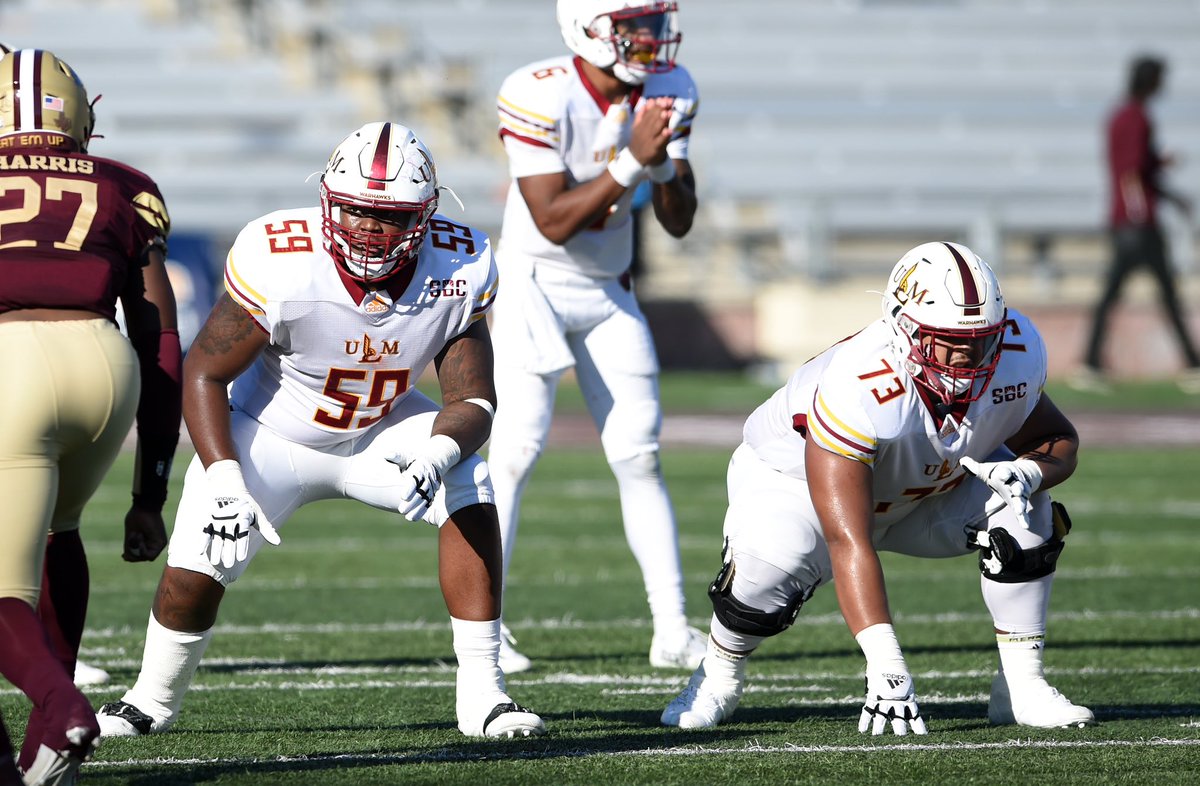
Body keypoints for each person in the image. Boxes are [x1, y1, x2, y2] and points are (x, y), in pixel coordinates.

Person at [95, 121, 545, 741]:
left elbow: (474, 398)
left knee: (470, 479)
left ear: (425, 216)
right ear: (329, 202)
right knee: (194, 570)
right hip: (268, 435)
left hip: (380, 430)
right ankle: (151, 699)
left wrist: (439, 454)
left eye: (388, 216)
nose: (368, 228)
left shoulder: (459, 262)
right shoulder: (281, 256)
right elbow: (203, 371)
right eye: (356, 211)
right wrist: (225, 480)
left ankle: (485, 697)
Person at [662, 242, 1096, 733]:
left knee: (1026, 507)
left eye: (979, 339)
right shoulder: (860, 381)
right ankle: (717, 674)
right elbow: (849, 538)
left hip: (926, 493)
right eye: (945, 338)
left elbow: (1056, 440)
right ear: (902, 326)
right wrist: (887, 667)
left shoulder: (1014, 354)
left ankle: (1022, 688)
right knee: (765, 571)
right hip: (798, 488)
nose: (966, 355)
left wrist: (1030, 472)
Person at [487, 0, 704, 673]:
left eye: (651, 21)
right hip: (533, 281)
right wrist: (633, 163)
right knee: (515, 451)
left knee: (640, 456)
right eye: (632, 24)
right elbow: (551, 219)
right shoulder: (535, 91)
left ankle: (671, 627)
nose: (648, 37)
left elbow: (679, 220)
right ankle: (484, 628)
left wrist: (663, 167)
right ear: (586, 27)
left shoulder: (672, 87)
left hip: (609, 290)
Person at [0, 48, 181, 783]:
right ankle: (42, 754)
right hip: (106, 367)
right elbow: (161, 338)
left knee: (2, 591)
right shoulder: (127, 185)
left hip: (10, 362)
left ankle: (63, 705)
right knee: (57, 534)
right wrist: (150, 493)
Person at [1073, 55, 1200, 394]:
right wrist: (1139, 214)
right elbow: (1131, 172)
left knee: (1119, 293)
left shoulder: (1126, 116)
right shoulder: (1134, 118)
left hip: (1130, 221)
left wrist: (1168, 189)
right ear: (1151, 81)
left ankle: (1091, 362)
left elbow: (1142, 170)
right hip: (1136, 225)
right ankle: (1191, 364)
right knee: (1161, 293)